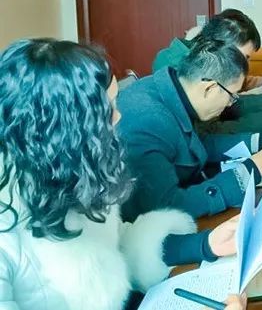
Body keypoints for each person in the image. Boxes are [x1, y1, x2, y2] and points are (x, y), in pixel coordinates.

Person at [0, 39, 244, 309]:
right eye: (108, 109)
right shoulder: (7, 226)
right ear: (63, 127)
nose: (118, 117)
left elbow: (117, 244)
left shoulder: (73, 173)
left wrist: (205, 244)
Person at [118, 38, 262, 222]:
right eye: (231, 96)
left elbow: (200, 142)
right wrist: (249, 170)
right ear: (209, 88)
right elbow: (165, 208)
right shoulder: (148, 123)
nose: (230, 104)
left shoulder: (174, 90)